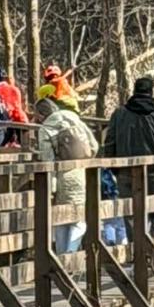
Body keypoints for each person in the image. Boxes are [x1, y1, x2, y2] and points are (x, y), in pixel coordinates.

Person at [101, 73, 154, 239]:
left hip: (126, 174)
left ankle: (137, 253)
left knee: (131, 214)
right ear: (152, 93)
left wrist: (115, 169)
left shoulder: (119, 114)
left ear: (134, 92)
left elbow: (109, 143)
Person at [34, 93, 98, 253]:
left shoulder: (46, 129)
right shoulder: (76, 120)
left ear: (42, 114)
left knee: (61, 219)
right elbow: (94, 146)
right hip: (81, 173)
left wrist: (51, 187)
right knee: (78, 218)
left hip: (60, 177)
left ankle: (64, 258)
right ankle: (69, 257)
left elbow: (47, 160)